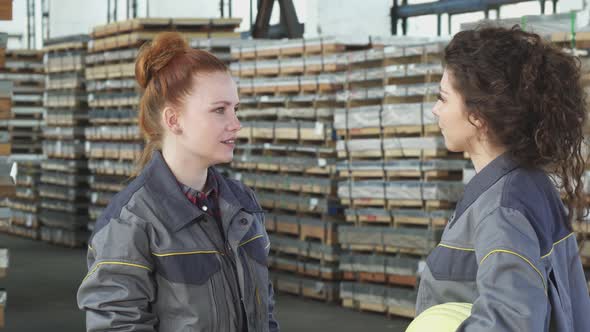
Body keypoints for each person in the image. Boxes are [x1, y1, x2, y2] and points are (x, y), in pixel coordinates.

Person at [77, 31, 279, 332]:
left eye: (236, 109)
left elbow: (266, 313)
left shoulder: (243, 205)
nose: (236, 124)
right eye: (219, 110)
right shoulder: (131, 222)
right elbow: (116, 325)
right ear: (174, 120)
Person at [416, 25, 590, 331]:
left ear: (478, 115)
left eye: (442, 99)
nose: (435, 110)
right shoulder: (528, 185)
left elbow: (510, 322)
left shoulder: (502, 211)